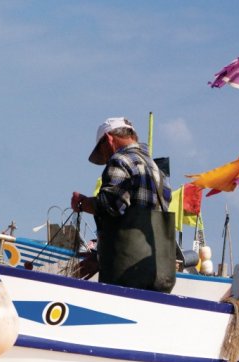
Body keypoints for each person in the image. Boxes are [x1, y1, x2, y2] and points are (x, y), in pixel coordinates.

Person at [70, 117, 176, 292]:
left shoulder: (120, 160)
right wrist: (99, 258)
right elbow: (133, 220)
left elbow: (109, 206)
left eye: (102, 152)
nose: (105, 158)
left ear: (108, 139)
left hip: (125, 274)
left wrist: (82, 203)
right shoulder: (158, 171)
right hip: (159, 273)